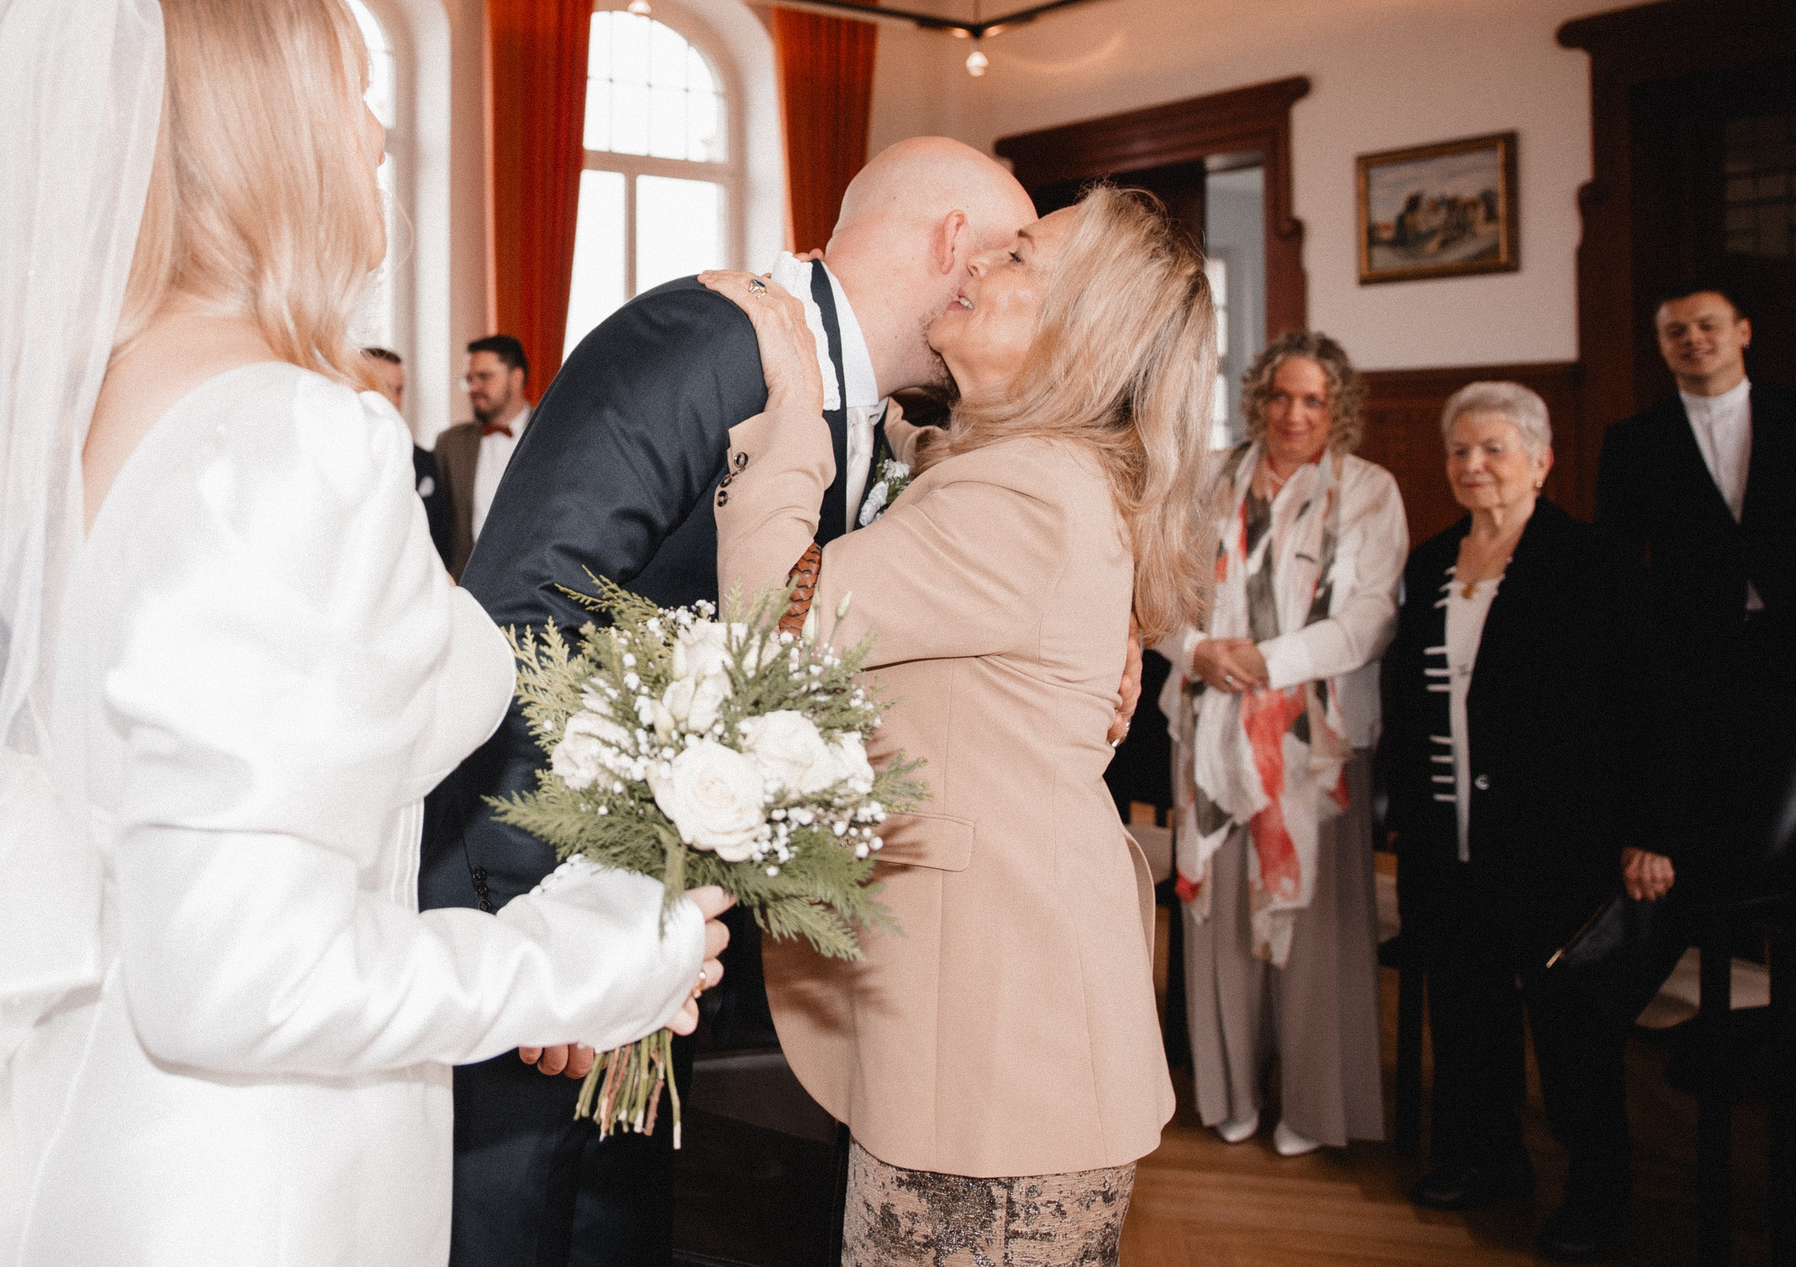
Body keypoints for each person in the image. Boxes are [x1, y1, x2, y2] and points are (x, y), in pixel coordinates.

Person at [0, 0, 729, 1267]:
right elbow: (246, 978)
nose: (376, 138)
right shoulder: (292, 436)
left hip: (89, 1098)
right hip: (237, 1177)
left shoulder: (95, 400)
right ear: (266, 136)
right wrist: (590, 957)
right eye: (351, 97)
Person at [423, 137, 1039, 1267]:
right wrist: (547, 949)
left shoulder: (872, 413)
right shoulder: (709, 342)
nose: (1021, 296)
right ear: (957, 247)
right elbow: (521, 625)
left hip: (663, 939)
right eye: (1014, 258)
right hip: (535, 923)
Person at [701, 183, 1210, 1265]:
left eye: (1021, 257)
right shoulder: (1031, 478)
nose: (979, 263)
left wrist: (792, 409)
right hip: (990, 1023)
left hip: (998, 1052)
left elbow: (768, 618)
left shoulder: (1027, 493)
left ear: (1084, 331)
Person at [1381, 381, 1639, 1264]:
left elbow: (1643, 705)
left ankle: (1600, 1197)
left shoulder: (1592, 560)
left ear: (1541, 458)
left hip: (1556, 838)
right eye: (1460, 450)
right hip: (1447, 833)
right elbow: (1405, 702)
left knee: (1571, 1029)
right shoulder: (1428, 563)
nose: (1473, 464)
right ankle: (1488, 1160)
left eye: (1493, 447)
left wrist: (1650, 830)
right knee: (1466, 1007)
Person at [1159, 332, 1406, 1156]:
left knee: (1312, 923)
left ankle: (1312, 1104)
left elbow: (1372, 617)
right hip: (1209, 727)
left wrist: (1269, 661)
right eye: (1280, 395)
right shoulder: (1209, 480)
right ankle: (1228, 1093)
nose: (1294, 414)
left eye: (1314, 400)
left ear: (1337, 408)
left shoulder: (1369, 490)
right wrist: (1197, 651)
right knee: (1222, 920)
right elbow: (1155, 588)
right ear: (1258, 396)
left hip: (1314, 741)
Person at [1595, 285, 1795, 893]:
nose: (1693, 340)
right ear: (1661, 345)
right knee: (1719, 822)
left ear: (1743, 333)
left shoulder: (1791, 416)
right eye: (1676, 332)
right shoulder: (1632, 441)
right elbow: (1618, 564)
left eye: (1707, 326)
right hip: (1694, 657)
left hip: (1789, 644)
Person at [433, 335, 532, 578]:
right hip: (467, 588)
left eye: (485, 377)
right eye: (470, 379)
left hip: (535, 587)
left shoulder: (553, 436)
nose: (474, 388)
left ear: (516, 378)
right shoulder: (450, 444)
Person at [366, 345, 454, 567]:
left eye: (399, 390)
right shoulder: (334, 456)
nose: (395, 400)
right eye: (386, 388)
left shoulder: (423, 460)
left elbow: (441, 540)